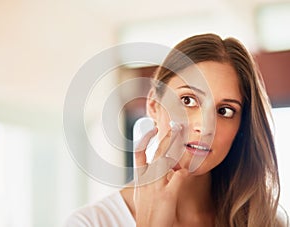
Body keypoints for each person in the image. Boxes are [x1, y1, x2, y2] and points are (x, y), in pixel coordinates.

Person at [64, 33, 289, 227]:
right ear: (153, 105)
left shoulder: (266, 221)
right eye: (188, 100)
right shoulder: (91, 222)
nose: (206, 127)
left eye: (225, 111)